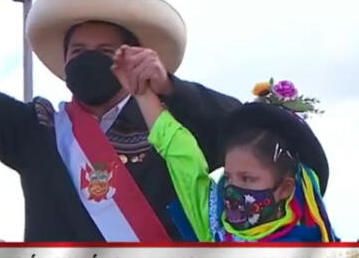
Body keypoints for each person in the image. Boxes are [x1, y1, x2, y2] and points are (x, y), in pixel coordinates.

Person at [0, 0, 240, 241]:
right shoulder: (37, 131)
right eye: (78, 50)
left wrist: (169, 87)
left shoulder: (172, 127)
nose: (88, 58)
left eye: (104, 50)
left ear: (133, 57)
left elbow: (244, 128)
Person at [114, 50, 336, 242]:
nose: (232, 190)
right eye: (228, 177)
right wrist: (142, 94)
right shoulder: (213, 223)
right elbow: (181, 154)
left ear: (285, 188)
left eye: (248, 178)